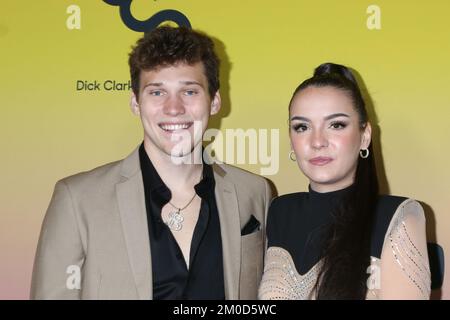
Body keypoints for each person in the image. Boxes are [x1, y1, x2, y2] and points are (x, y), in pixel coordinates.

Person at [31, 26, 271, 300]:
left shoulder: (254, 191)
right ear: (135, 103)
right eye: (157, 92)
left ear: (214, 101)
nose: (173, 108)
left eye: (190, 92)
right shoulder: (78, 200)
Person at [258, 63, 431, 300]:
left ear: (364, 136)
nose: (317, 141)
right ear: (291, 140)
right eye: (302, 127)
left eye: (336, 125)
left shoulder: (398, 217)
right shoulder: (279, 211)